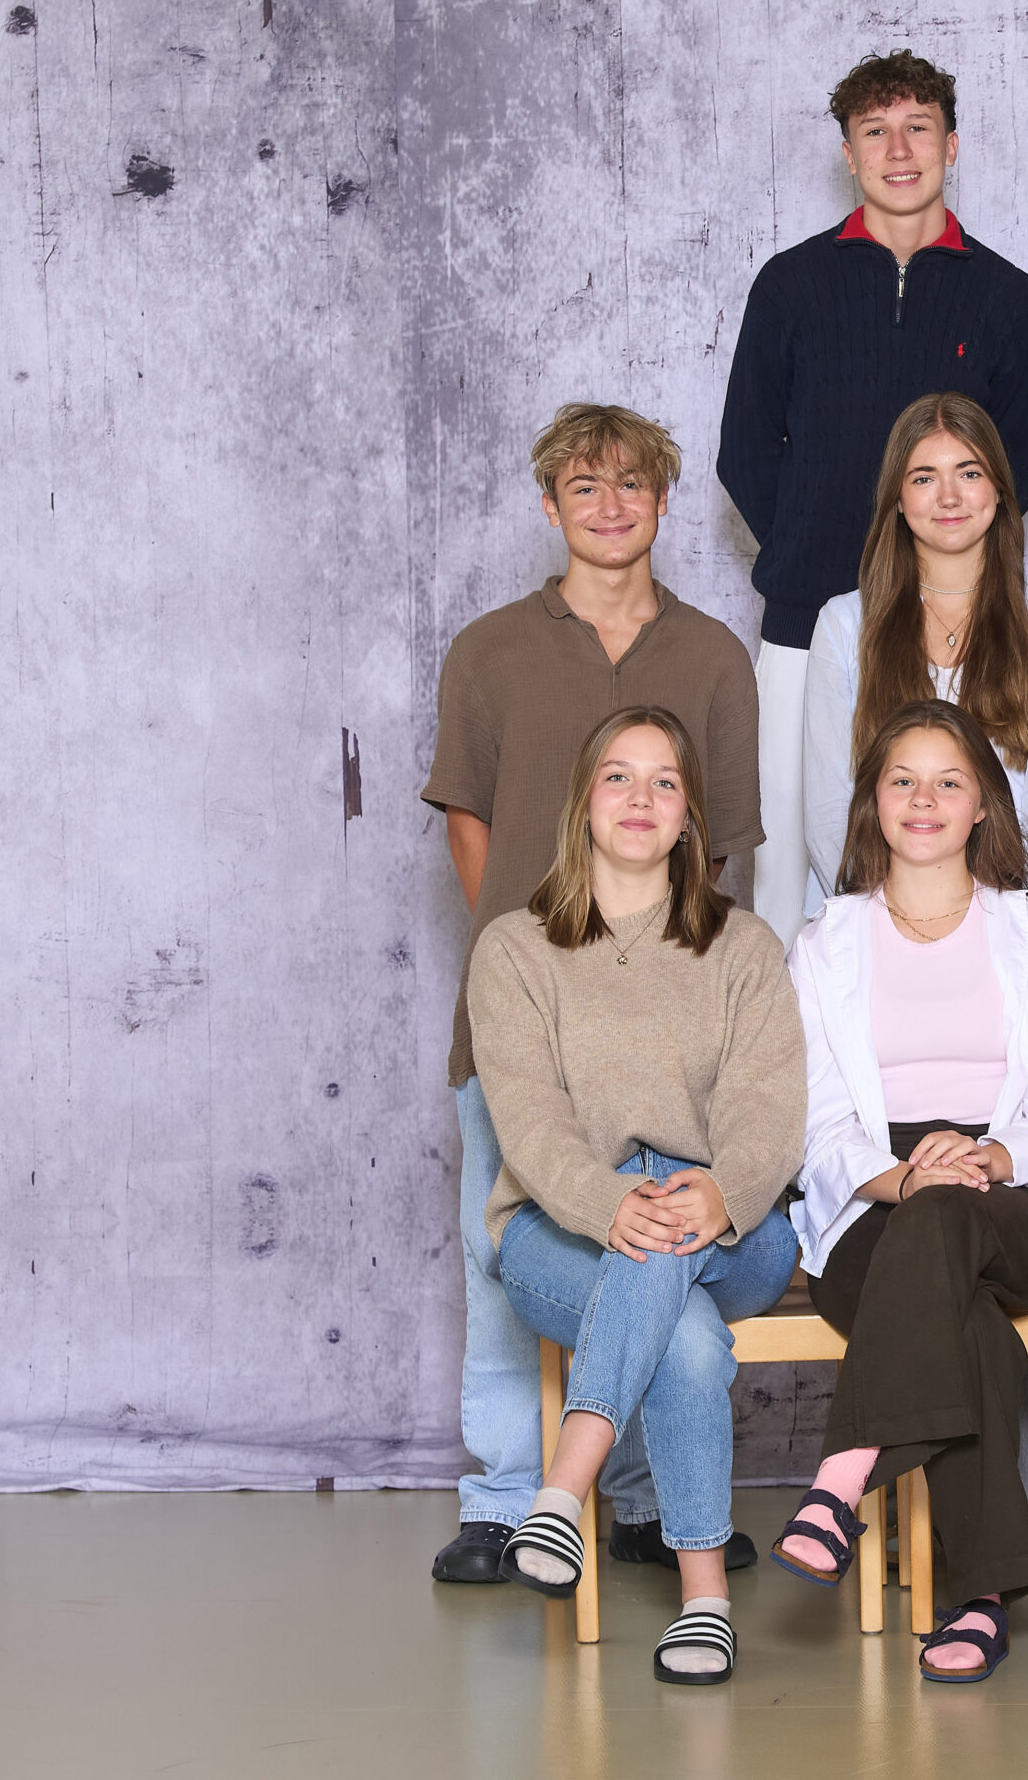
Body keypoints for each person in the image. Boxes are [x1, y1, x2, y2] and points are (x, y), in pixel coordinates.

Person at [420, 403, 764, 1588]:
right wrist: (532, 954)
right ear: (550, 504)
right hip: (522, 1013)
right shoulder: (489, 651)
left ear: (663, 502)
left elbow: (719, 846)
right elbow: (469, 822)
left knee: (657, 1229)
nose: (609, 505)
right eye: (584, 485)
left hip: (668, 1028)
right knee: (506, 1249)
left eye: (631, 485)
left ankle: (640, 1501)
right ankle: (502, 1499)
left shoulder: (712, 656)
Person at [468, 709, 806, 1686]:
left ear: (690, 814)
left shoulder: (743, 947)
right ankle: (705, 1601)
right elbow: (529, 1121)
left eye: (665, 781)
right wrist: (609, 1201)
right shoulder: (515, 950)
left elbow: (770, 1105)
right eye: (618, 776)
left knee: (665, 1251)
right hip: (560, 1230)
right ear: (584, 801)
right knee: (684, 1333)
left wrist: (724, 1193)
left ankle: (562, 1491)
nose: (640, 798)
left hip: (732, 1229)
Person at [770, 701, 1028, 1682]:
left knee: (950, 1212)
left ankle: (843, 1472)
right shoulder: (824, 944)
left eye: (949, 780)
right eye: (901, 779)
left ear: (982, 803)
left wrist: (988, 1157)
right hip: (870, 1195)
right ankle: (980, 1599)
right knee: (969, 1326)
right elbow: (814, 1121)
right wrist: (902, 1175)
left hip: (1014, 1191)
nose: (924, 799)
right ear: (872, 800)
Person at [717, 49, 1028, 945]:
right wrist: (813, 550)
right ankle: (795, 1039)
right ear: (850, 155)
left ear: (952, 145)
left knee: (952, 851)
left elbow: (1011, 470)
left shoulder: (1005, 295)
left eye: (918, 129)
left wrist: (928, 575)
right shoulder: (790, 286)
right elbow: (745, 453)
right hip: (804, 621)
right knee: (789, 864)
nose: (899, 151)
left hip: (953, 629)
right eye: (875, 132)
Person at [802, 393, 1028, 928]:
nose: (950, 496)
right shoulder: (843, 626)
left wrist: (972, 917)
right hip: (873, 906)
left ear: (1000, 488)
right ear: (896, 498)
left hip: (1022, 903)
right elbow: (828, 810)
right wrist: (901, 915)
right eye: (924, 477)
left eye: (969, 472)